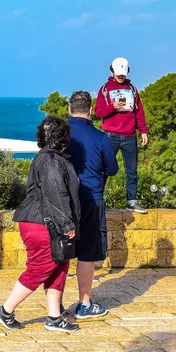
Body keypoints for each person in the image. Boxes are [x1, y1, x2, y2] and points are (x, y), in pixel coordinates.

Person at [0, 117, 80, 333]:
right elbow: (56, 194)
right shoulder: (51, 161)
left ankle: (54, 318)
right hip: (42, 223)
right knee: (41, 267)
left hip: (43, 222)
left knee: (59, 266)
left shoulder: (47, 158)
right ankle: (5, 310)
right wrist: (67, 223)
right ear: (64, 138)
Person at [65, 91, 118, 319]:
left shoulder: (61, 136)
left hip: (64, 199)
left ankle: (54, 304)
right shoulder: (101, 138)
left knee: (60, 252)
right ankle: (84, 304)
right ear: (90, 111)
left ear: (69, 110)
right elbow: (113, 169)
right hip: (91, 199)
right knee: (87, 253)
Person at [95, 57, 148, 213]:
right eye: (118, 74)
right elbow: (98, 112)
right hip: (111, 135)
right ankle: (97, 200)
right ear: (112, 71)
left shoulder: (133, 89)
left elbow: (139, 112)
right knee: (103, 168)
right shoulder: (104, 89)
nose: (121, 77)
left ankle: (132, 201)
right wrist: (112, 106)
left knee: (132, 171)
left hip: (130, 135)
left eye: (123, 74)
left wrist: (143, 131)